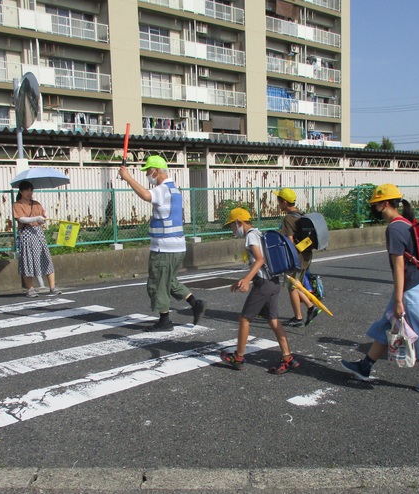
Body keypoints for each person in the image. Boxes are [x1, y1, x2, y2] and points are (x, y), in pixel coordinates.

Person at [340, 184, 419, 394]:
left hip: (410, 289)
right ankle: (365, 366)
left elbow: (399, 266)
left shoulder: (394, 228)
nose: (374, 208)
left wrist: (399, 299)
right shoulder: (405, 223)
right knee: (387, 324)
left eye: (375, 204)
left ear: (384, 204)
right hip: (414, 284)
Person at [118, 155, 206, 330]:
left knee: (157, 282)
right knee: (169, 281)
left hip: (164, 247)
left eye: (148, 171)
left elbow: (145, 195)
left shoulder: (162, 189)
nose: (147, 175)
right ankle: (195, 303)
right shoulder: (175, 190)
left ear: (156, 171)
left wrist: (128, 177)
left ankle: (165, 321)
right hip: (178, 246)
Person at [219, 207, 300, 375]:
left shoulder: (250, 236)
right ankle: (288, 358)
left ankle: (238, 357)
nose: (233, 230)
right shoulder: (259, 233)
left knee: (244, 318)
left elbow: (260, 259)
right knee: (273, 320)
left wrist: (247, 279)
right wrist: (243, 279)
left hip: (263, 284)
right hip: (273, 282)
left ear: (239, 222)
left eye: (233, 226)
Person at [273, 188, 321, 327]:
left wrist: (287, 258)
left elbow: (289, 241)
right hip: (306, 255)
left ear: (285, 202)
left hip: (296, 257)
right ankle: (311, 307)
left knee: (292, 287)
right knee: (297, 284)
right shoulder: (301, 214)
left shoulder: (288, 218)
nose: (278, 204)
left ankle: (298, 318)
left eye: (279, 201)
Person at [12, 180, 62, 298]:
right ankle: (30, 289)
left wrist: (42, 219)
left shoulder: (37, 204)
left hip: (38, 233)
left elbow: (43, 217)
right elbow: (21, 219)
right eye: (27, 190)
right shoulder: (17, 205)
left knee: (46, 258)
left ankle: (52, 287)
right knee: (27, 260)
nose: (30, 193)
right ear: (21, 191)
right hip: (26, 234)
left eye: (31, 190)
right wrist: (36, 218)